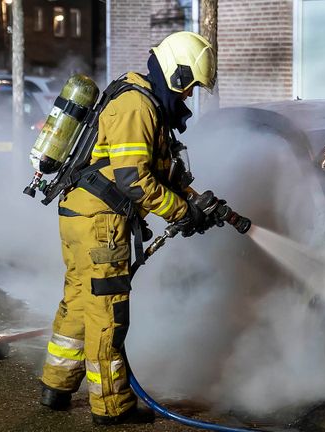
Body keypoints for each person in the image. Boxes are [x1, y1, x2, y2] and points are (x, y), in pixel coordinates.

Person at [38, 31, 226, 425]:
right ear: (175, 75)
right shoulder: (136, 106)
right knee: (107, 313)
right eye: (190, 86)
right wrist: (179, 212)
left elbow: (157, 170)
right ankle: (111, 406)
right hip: (100, 225)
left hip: (81, 216)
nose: (189, 96)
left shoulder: (140, 98)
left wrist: (192, 201)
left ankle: (56, 385)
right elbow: (134, 181)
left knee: (79, 300)